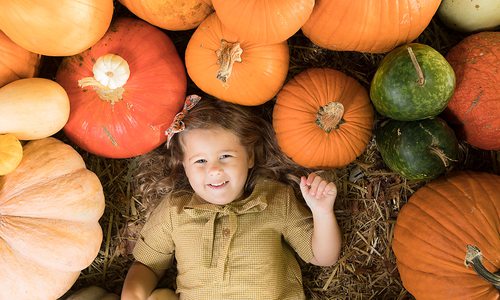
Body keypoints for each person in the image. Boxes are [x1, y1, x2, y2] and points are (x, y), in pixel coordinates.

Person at [121, 95, 342, 300]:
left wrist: (322, 212)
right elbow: (148, 265)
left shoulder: (275, 199)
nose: (214, 170)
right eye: (200, 161)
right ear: (184, 166)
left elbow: (322, 257)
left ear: (249, 157)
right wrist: (133, 294)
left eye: (225, 156)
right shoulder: (176, 210)